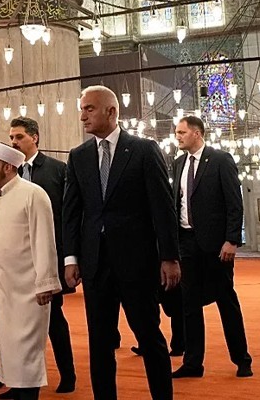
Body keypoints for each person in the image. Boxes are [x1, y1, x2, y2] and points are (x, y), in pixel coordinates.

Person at [62, 85, 180, 400]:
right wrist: (71, 258)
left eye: (89, 108)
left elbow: (162, 207)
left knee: (149, 337)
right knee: (99, 343)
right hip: (96, 265)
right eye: (82, 108)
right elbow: (72, 212)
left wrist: (169, 257)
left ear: (111, 111)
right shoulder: (79, 156)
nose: (82, 115)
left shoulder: (143, 149)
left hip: (137, 263)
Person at [171, 115, 252, 379]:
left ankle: (242, 359)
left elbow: (234, 202)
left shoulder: (220, 159)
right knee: (189, 304)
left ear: (197, 133)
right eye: (177, 132)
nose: (178, 136)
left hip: (217, 245)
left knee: (226, 300)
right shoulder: (178, 164)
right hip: (186, 242)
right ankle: (193, 363)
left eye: (182, 132)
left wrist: (232, 239)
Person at [0, 141, 62, 400]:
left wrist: (45, 282)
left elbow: (44, 241)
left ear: (8, 167)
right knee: (7, 340)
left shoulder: (34, 194)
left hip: (28, 287)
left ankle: (28, 393)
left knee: (27, 344)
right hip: (1, 285)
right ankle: (16, 387)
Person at [8, 117, 77, 393]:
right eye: (11, 137)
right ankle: (19, 380)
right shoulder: (8, 172)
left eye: (19, 137)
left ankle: (68, 374)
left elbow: (68, 216)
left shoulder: (57, 170)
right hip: (17, 260)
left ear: (35, 138)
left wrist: (68, 258)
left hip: (49, 257)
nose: (14, 142)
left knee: (53, 319)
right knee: (17, 322)